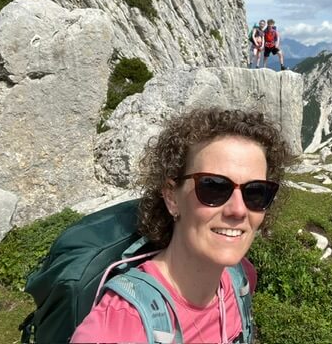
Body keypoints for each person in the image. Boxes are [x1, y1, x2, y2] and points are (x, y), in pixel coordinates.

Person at [71, 107, 291, 343]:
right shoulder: (117, 327)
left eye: (256, 192)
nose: (238, 210)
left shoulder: (240, 278)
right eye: (214, 187)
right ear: (171, 197)